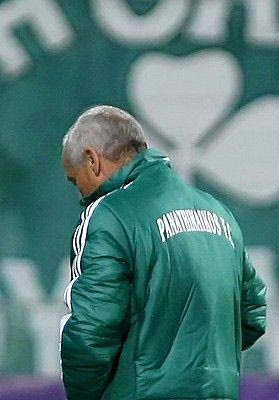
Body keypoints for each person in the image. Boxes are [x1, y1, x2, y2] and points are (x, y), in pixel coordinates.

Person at [59, 105, 266, 400]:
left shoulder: (109, 215)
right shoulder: (220, 214)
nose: (79, 192)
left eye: (74, 179)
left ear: (92, 160)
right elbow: (252, 314)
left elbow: (91, 333)